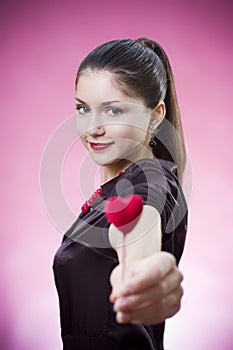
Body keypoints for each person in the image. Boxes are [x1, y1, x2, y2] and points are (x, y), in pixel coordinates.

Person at [53, 38, 188, 350]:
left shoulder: (150, 180)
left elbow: (139, 231)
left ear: (155, 115)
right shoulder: (116, 186)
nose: (93, 128)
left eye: (113, 110)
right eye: (83, 108)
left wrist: (144, 278)